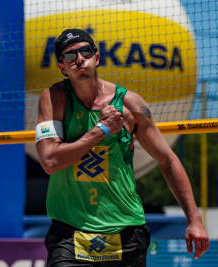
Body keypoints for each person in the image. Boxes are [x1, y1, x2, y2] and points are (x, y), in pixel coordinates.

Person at [35, 29, 209, 267]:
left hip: (125, 230)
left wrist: (194, 219)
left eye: (85, 51)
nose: (79, 59)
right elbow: (50, 162)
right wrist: (102, 130)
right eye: (70, 55)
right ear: (62, 67)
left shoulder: (130, 104)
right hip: (70, 233)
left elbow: (168, 160)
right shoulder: (54, 98)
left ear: (96, 58)